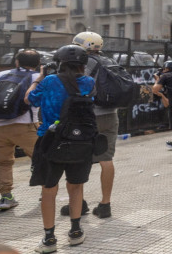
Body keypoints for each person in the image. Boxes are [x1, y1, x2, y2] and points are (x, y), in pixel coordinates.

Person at [26, 45, 96, 253]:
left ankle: (49, 239)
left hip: (51, 141)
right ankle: (75, 232)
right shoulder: (89, 82)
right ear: (83, 65)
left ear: (59, 63)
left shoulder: (49, 81)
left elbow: (29, 99)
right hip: (81, 141)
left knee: (49, 190)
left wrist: (39, 77)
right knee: (76, 186)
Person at [0, 49, 42, 211]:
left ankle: (6, 197)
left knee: (3, 162)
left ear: (17, 62)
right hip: (25, 126)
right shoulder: (38, 78)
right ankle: (46, 192)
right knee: (42, 158)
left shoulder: (2, 74)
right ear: (38, 64)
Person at [62, 31, 116, 219]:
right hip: (110, 114)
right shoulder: (110, 61)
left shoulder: (83, 63)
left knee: (79, 159)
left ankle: (78, 203)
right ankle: (105, 204)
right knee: (106, 158)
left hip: (87, 115)